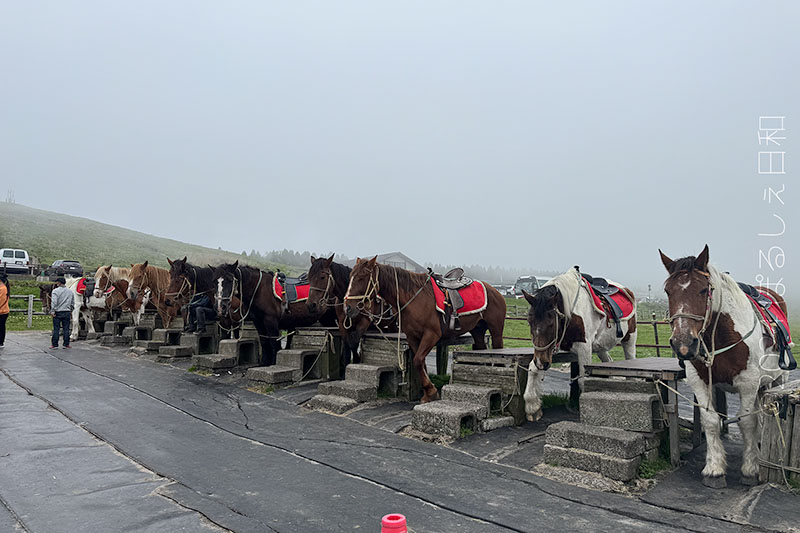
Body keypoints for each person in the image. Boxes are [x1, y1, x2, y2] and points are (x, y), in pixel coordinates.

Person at [50, 277, 74, 349]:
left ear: (59, 283)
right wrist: (71, 310)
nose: (56, 283)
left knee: (56, 329)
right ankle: (66, 344)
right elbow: (72, 303)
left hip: (57, 312)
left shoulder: (55, 291)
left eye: (57, 282)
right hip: (67, 311)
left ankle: (54, 344)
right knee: (66, 329)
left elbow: (54, 302)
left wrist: (52, 311)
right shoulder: (70, 292)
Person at [0, 273, 9, 348]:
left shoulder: (3, 288)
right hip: (2, 310)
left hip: (2, 311)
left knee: (1, 327)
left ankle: (1, 342)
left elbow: (1, 301)